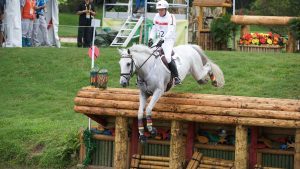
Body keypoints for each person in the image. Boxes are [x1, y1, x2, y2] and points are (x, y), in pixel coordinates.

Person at [148, 0, 181, 85]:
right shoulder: (156, 17)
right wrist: (151, 38)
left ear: (166, 9)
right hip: (159, 39)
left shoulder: (171, 17)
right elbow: (154, 29)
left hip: (168, 40)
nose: (160, 11)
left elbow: (171, 30)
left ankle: (176, 77)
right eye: (158, 10)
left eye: (162, 9)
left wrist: (163, 39)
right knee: (149, 54)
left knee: (168, 58)